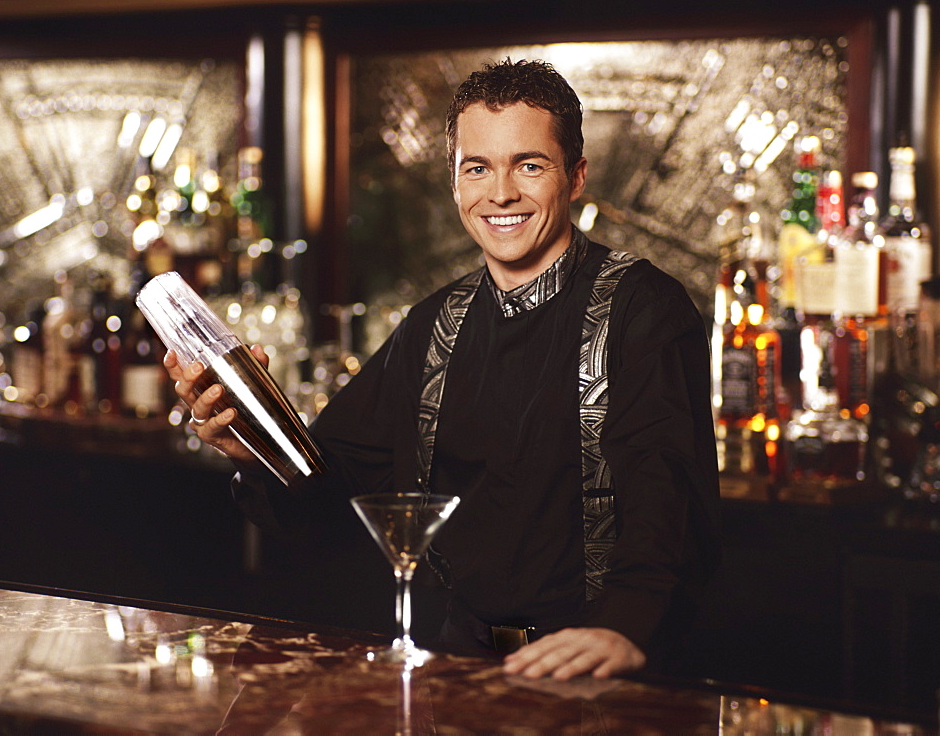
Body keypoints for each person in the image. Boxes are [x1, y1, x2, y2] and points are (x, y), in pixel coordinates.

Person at [165, 58, 721, 682]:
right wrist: (253, 441)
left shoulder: (645, 309)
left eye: (529, 166)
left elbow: (669, 495)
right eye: (477, 168)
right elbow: (334, 489)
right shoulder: (434, 325)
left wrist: (624, 628)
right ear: (454, 183)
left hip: (599, 669)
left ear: (576, 177)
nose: (501, 193)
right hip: (459, 663)